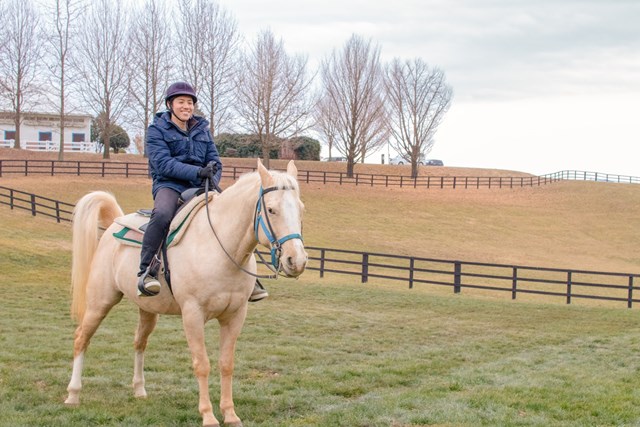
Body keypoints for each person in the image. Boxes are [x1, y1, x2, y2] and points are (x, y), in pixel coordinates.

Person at [138, 81, 269, 303]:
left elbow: (215, 161)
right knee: (161, 215)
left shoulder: (201, 129)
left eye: (190, 102)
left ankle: (247, 277)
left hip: (201, 185)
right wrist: (199, 172)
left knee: (233, 217)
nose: (186, 106)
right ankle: (147, 270)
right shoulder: (156, 130)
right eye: (181, 102)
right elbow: (163, 164)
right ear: (170, 104)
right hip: (169, 184)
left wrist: (211, 178)